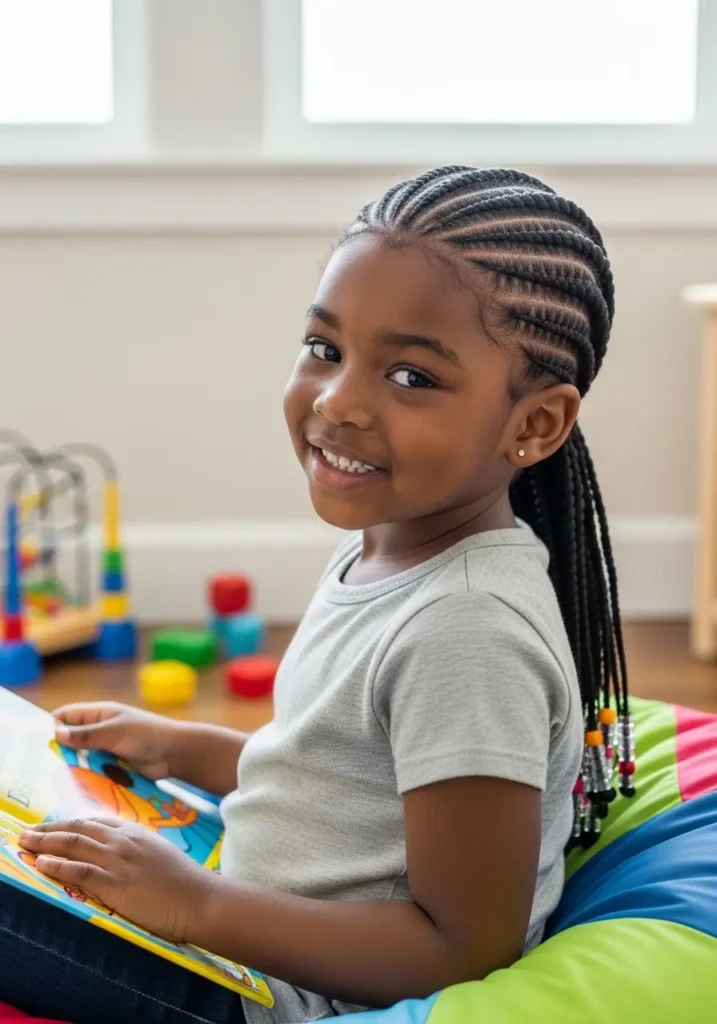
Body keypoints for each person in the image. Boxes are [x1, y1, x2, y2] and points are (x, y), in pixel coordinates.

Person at [0, 166, 632, 1024]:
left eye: (410, 376)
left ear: (533, 424)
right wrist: (185, 749)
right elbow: (342, 789)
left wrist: (193, 906)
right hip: (238, 920)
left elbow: (463, 948)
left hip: (272, 994)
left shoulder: (468, 629)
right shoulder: (390, 549)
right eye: (326, 350)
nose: (339, 403)